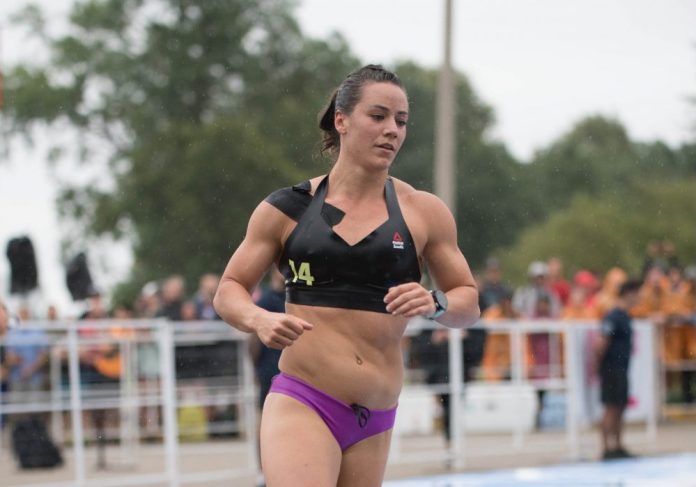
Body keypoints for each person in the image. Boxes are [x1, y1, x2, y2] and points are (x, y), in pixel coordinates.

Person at [213, 64, 480, 486]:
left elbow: (468, 302)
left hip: (375, 417)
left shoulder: (423, 211)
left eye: (401, 121)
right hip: (304, 399)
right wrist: (258, 319)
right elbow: (228, 290)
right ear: (342, 120)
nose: (392, 130)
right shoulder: (288, 208)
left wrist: (435, 302)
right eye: (378, 116)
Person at [594, 279, 642, 460]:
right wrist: (600, 366)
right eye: (637, 294)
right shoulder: (614, 316)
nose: (639, 298)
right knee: (611, 408)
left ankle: (618, 445)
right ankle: (607, 448)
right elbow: (601, 343)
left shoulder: (625, 316)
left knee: (620, 407)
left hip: (621, 369)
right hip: (612, 368)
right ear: (628, 294)